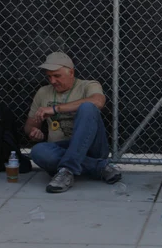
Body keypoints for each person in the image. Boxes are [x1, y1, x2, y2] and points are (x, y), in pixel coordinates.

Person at [25, 52, 121, 193]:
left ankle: (68, 169)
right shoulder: (43, 92)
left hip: (92, 148)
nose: (52, 81)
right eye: (49, 76)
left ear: (71, 72)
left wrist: (55, 109)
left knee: (88, 107)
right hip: (60, 147)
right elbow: (29, 126)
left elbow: (98, 102)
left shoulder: (88, 85)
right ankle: (98, 167)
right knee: (38, 151)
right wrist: (33, 131)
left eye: (57, 76)